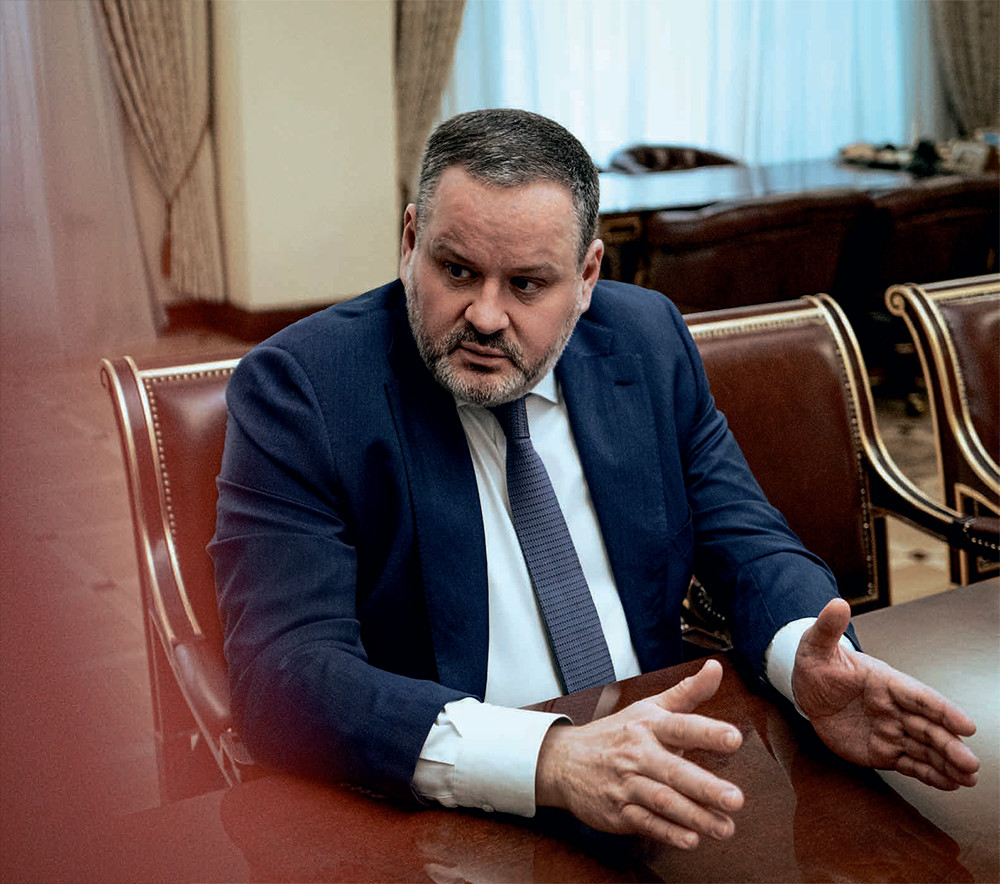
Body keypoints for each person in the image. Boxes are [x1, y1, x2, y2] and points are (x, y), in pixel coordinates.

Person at [210, 108, 979, 851]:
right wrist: (546, 759)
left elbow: (746, 539)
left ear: (586, 277)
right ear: (411, 242)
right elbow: (285, 673)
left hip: (660, 772)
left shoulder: (645, 339)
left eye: (526, 285)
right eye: (457, 270)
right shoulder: (305, 389)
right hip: (443, 809)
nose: (485, 316)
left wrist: (804, 657)